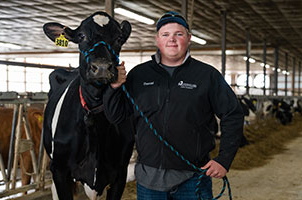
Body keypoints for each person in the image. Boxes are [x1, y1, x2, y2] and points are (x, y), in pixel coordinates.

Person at [104, 11, 244, 200]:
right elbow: (116, 116)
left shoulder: (207, 75)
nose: (172, 40)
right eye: (165, 34)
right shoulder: (139, 75)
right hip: (149, 180)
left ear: (189, 38)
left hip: (193, 177)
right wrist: (114, 88)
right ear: (157, 40)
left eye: (179, 34)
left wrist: (224, 159)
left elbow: (233, 114)